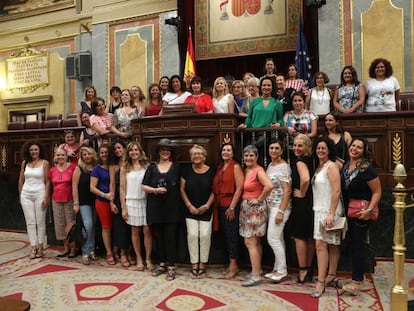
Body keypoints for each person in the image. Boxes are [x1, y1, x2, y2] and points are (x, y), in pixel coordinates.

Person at [340, 138, 382, 296]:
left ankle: (356, 282)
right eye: (353, 146)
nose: (355, 149)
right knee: (353, 244)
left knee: (358, 245)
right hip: (350, 210)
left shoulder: (367, 169)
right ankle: (356, 277)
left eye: (359, 147)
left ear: (364, 151)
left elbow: (377, 192)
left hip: (362, 212)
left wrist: (369, 210)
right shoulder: (346, 165)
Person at [142, 138, 183, 281]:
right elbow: (144, 186)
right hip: (156, 208)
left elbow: (182, 187)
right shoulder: (151, 167)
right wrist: (155, 190)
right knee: (159, 239)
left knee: (170, 238)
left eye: (167, 150)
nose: (165, 152)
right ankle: (162, 264)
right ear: (159, 152)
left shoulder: (177, 167)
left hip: (173, 208)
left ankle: (171, 267)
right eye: (163, 150)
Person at [311, 136, 343, 298]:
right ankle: (330, 275)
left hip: (329, 211)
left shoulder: (331, 166)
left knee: (322, 245)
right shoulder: (319, 166)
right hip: (319, 209)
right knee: (329, 245)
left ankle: (321, 282)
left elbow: (336, 190)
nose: (320, 151)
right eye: (318, 148)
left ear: (329, 150)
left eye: (323, 148)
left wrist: (331, 213)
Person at [239, 144, 273, 287]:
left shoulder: (258, 170)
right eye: (246, 155)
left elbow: (269, 186)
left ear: (257, 157)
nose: (248, 158)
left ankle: (255, 275)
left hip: (254, 208)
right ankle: (257, 270)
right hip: (248, 207)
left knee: (250, 241)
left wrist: (259, 199)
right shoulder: (247, 170)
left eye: (251, 155)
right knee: (256, 242)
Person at [180, 144, 215, 279]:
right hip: (190, 210)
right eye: (194, 154)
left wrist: (206, 206)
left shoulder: (211, 171)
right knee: (193, 235)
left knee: (205, 235)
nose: (197, 156)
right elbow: (182, 189)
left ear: (204, 156)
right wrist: (189, 205)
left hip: (206, 209)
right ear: (191, 157)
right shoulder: (186, 171)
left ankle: (203, 265)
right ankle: (194, 264)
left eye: (199, 153)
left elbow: (214, 191)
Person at [212, 143, 244, 279]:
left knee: (232, 236)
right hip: (219, 205)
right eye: (224, 150)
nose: (225, 152)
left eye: (228, 150)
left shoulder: (235, 166)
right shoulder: (220, 167)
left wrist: (232, 207)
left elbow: (239, 188)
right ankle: (229, 263)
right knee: (225, 235)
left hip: (230, 206)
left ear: (233, 152)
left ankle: (234, 265)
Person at [120, 142, 152, 271]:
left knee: (147, 231)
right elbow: (122, 190)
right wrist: (123, 207)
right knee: (135, 231)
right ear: (128, 153)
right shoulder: (124, 168)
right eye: (131, 150)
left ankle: (148, 259)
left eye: (136, 150)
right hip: (131, 202)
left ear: (140, 151)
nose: (134, 152)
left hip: (145, 201)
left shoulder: (147, 166)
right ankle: (139, 258)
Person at [264, 139, 292, 283]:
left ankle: (282, 271)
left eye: (276, 148)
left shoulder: (283, 167)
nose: (273, 150)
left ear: (281, 151)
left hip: (280, 207)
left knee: (272, 238)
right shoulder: (270, 165)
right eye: (271, 148)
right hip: (270, 206)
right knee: (278, 238)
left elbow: (287, 191)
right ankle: (277, 268)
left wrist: (281, 211)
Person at [289, 134, 315, 283]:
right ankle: (309, 268)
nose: (296, 148)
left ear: (307, 146)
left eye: (300, 146)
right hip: (311, 201)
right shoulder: (311, 160)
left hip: (302, 202)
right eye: (295, 145)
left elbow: (305, 179)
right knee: (309, 236)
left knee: (300, 237)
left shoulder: (299, 162)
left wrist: (301, 192)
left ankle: (303, 269)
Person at [18, 141, 50, 259]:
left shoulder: (45, 163)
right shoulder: (25, 163)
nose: (34, 152)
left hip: (40, 193)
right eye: (31, 150)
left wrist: (46, 197)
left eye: (36, 149)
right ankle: (33, 247)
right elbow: (21, 180)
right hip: (26, 194)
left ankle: (41, 246)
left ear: (39, 150)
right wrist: (21, 194)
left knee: (40, 222)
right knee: (30, 222)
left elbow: (48, 182)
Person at [72, 147, 99, 265]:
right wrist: (76, 202)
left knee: (93, 225)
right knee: (87, 225)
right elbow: (74, 186)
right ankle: (85, 251)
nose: (87, 156)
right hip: (83, 201)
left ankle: (91, 249)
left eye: (89, 154)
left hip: (96, 200)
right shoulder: (79, 169)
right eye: (84, 155)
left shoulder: (97, 168)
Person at [48, 148, 77, 257]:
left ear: (66, 156)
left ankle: (73, 248)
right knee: (60, 225)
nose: (60, 157)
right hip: (56, 200)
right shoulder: (52, 170)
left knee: (70, 224)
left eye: (62, 155)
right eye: (58, 155)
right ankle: (65, 248)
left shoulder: (73, 167)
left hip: (69, 199)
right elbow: (50, 185)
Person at [108, 139, 132, 267]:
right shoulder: (113, 165)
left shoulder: (131, 162)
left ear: (124, 148)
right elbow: (111, 184)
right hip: (118, 197)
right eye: (115, 149)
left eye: (119, 148)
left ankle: (129, 252)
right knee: (121, 227)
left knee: (131, 227)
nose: (118, 151)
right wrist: (111, 202)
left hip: (132, 195)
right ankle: (123, 253)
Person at [90, 145, 115, 265]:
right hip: (102, 201)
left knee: (117, 227)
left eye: (106, 152)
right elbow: (92, 188)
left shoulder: (114, 166)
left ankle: (118, 250)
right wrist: (105, 195)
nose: (104, 154)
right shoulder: (97, 169)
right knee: (106, 227)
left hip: (115, 201)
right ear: (99, 155)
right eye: (102, 153)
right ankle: (109, 252)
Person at [284, 91, 318, 160]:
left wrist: (301, 136)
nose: (297, 103)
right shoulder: (287, 115)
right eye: (295, 101)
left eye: (300, 100)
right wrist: (287, 130)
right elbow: (284, 130)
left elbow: (314, 133)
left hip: (306, 148)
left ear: (304, 102)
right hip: (291, 148)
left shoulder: (311, 114)